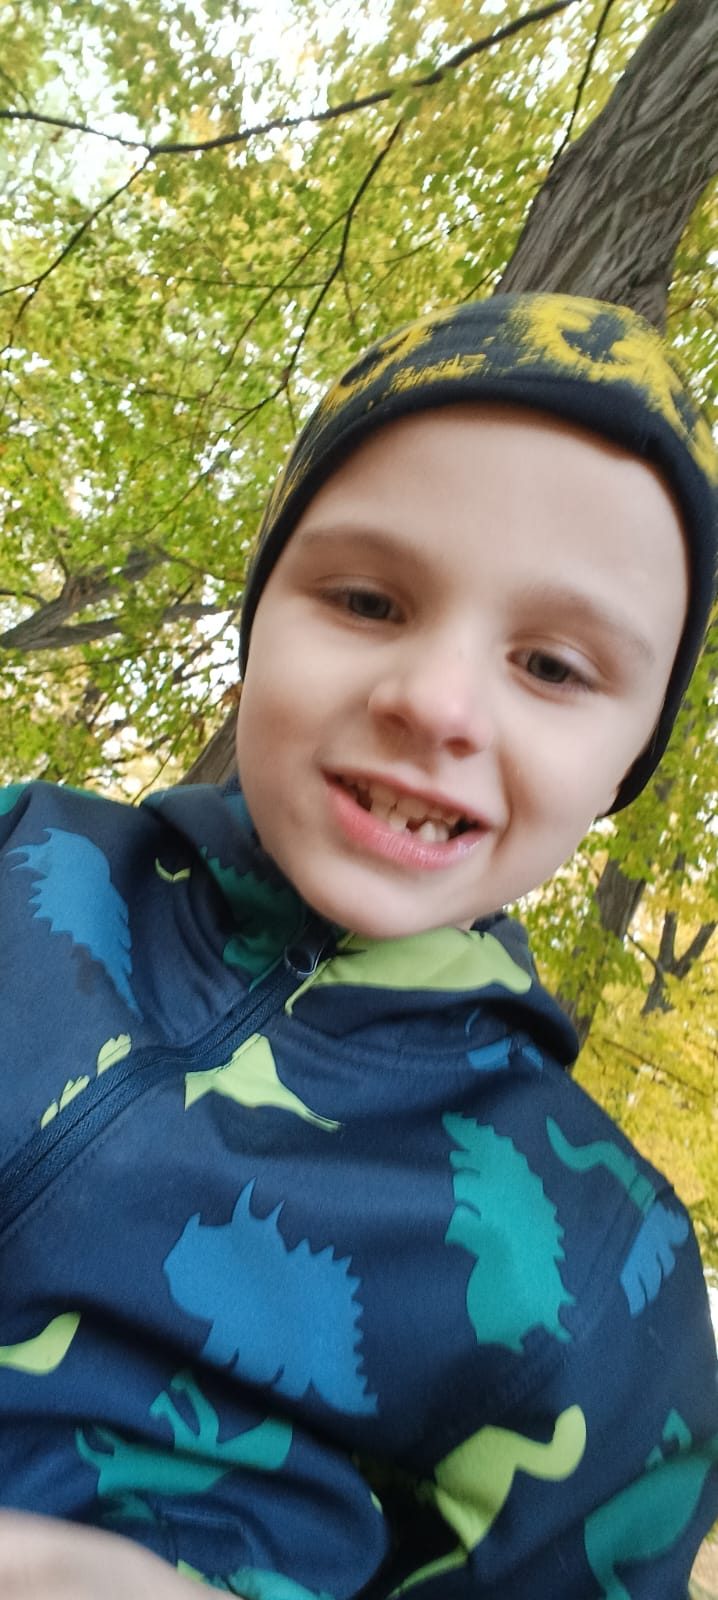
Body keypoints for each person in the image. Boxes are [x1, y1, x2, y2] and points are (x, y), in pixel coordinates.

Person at [0, 293, 716, 1600]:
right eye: (369, 600)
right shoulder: (18, 856)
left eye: (553, 668)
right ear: (258, 624)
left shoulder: (606, 1268)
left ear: (627, 763)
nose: (435, 702)